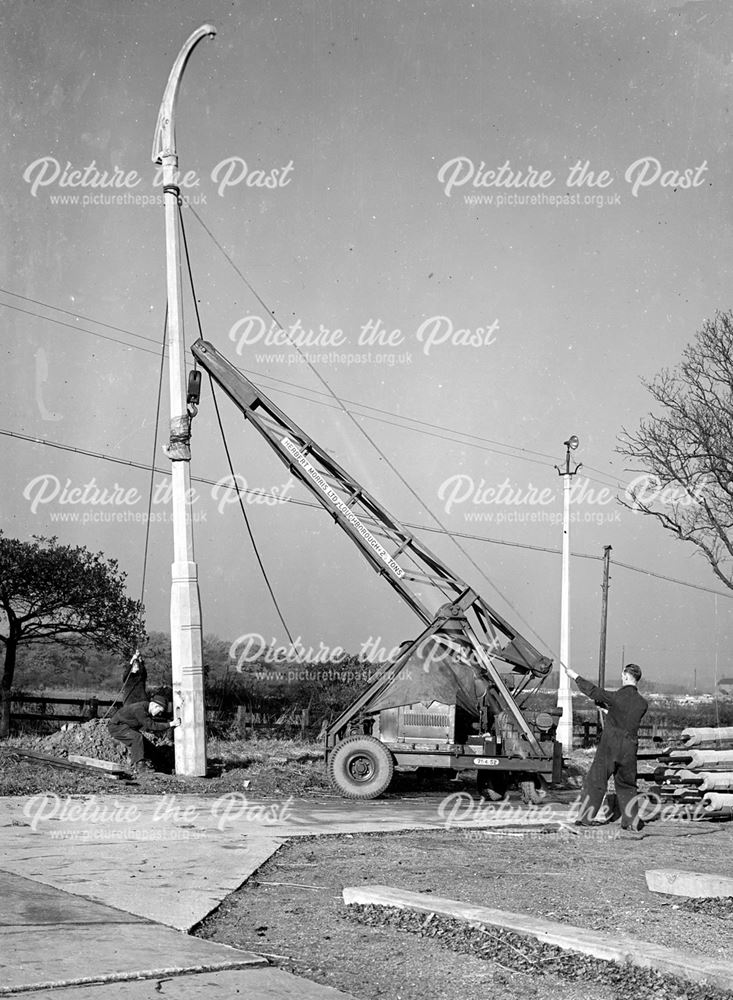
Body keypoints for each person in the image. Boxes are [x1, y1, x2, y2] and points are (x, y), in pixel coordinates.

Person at [561, 662, 648, 833]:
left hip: (610, 745)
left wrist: (574, 676)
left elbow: (593, 691)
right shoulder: (642, 704)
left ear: (625, 675)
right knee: (627, 785)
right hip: (630, 748)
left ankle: (585, 818)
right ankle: (631, 822)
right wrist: (608, 712)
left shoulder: (615, 697)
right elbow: (625, 718)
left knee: (596, 780)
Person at [108, 693, 180, 776]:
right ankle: (140, 766)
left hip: (127, 727)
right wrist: (171, 724)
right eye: (160, 711)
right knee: (137, 737)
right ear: (154, 705)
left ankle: (163, 767)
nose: (159, 714)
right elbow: (151, 725)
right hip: (117, 727)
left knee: (148, 746)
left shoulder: (145, 708)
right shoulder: (139, 709)